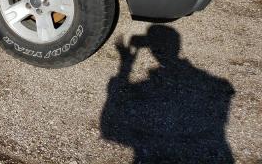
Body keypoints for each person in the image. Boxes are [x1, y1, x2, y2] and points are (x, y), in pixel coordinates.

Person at [100, 25, 235, 163]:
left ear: (154, 51)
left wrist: (125, 66)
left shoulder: (147, 88)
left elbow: (109, 128)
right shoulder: (218, 85)